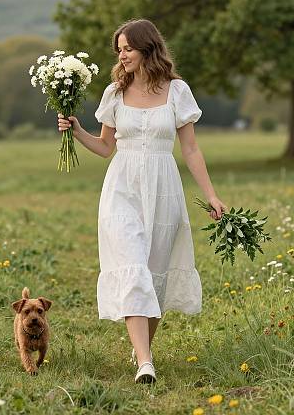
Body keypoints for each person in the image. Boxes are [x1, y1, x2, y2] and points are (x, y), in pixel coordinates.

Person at [57, 19, 226, 384]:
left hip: (164, 188)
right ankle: (146, 364)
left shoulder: (177, 91)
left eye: (128, 48)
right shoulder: (114, 93)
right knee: (133, 265)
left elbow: (191, 149)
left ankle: (141, 352)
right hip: (122, 188)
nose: (122, 54)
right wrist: (77, 128)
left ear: (148, 49)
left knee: (155, 275)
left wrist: (211, 194)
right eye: (119, 49)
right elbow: (105, 148)